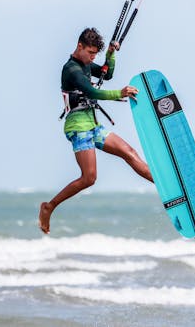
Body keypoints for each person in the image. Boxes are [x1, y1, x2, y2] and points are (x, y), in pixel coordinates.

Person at [38, 27, 153, 234]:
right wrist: (121, 92)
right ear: (79, 46)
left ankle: (164, 185)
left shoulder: (85, 65)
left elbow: (105, 75)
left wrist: (110, 54)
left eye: (95, 54)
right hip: (78, 128)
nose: (92, 58)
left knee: (129, 153)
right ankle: (49, 207)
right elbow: (92, 91)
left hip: (93, 125)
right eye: (90, 53)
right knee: (89, 178)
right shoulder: (71, 69)